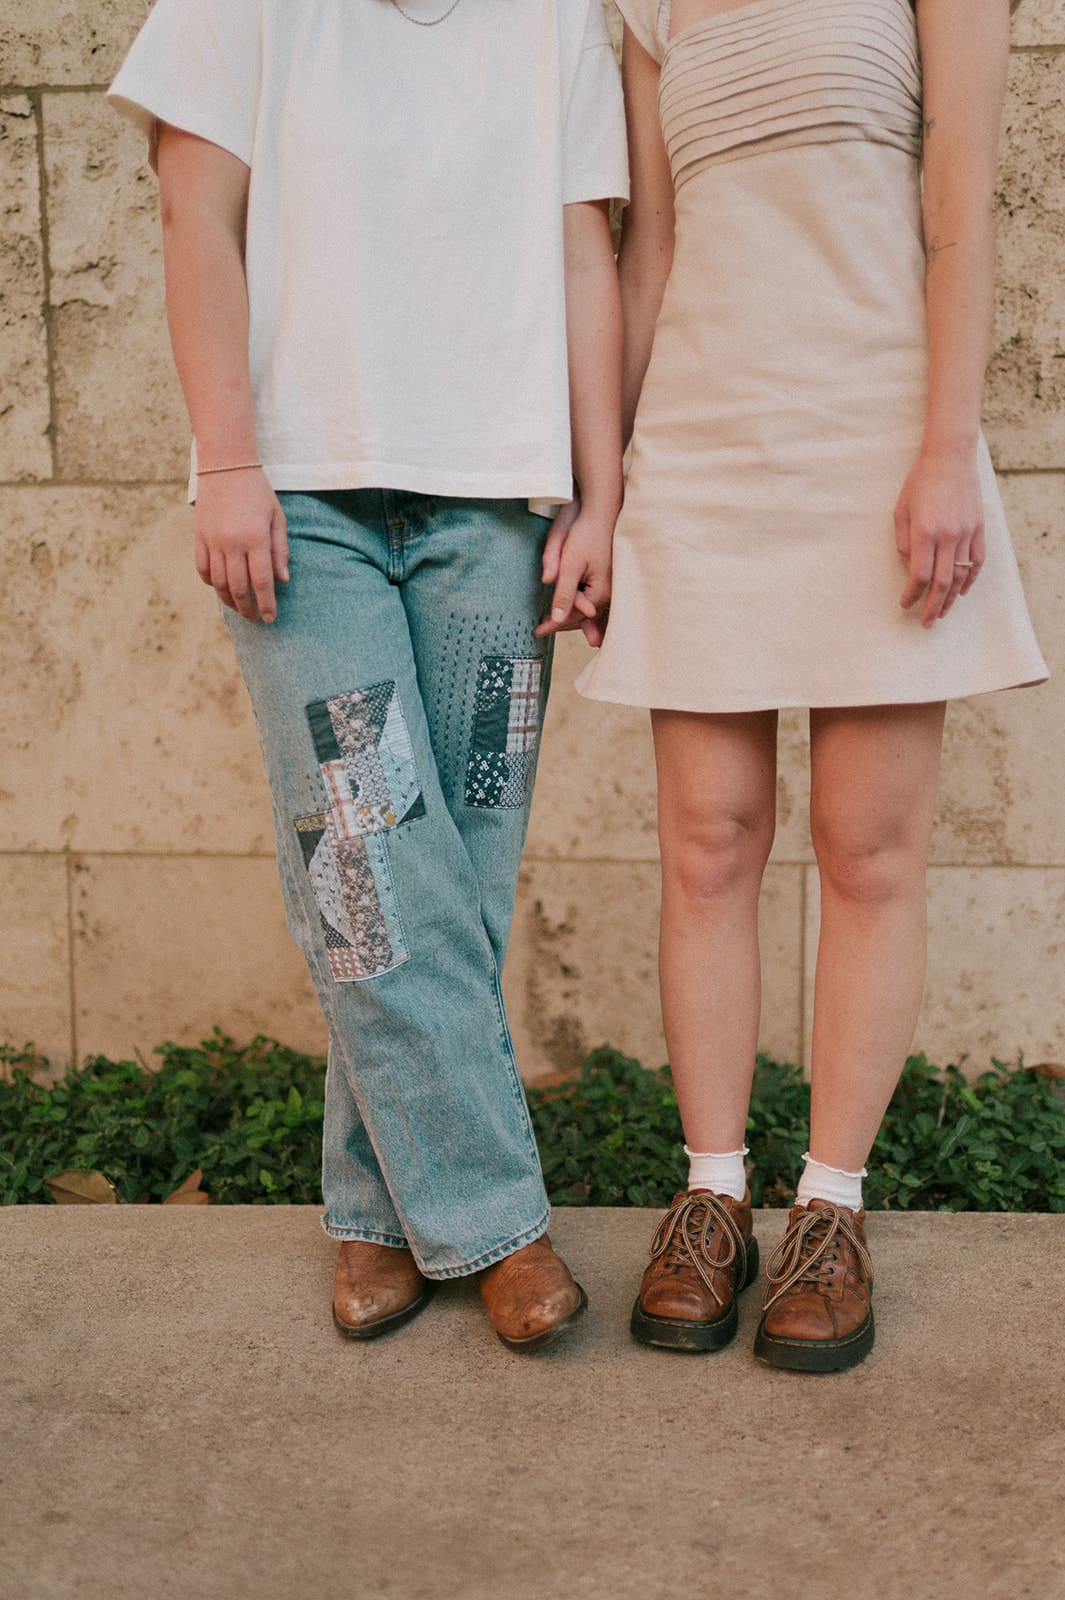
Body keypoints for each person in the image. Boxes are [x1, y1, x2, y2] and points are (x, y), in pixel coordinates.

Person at [108, 0, 627, 1351]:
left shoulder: (557, 18)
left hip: (499, 515)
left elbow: (585, 256)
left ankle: (372, 1212)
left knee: (454, 866)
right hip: (306, 511)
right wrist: (226, 462)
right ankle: (500, 1226)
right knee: (366, 856)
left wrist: (601, 497)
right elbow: (193, 217)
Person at [579, 0, 1046, 1370]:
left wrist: (948, 449)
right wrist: (603, 492)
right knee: (705, 841)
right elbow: (647, 251)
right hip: (703, 449)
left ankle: (829, 1213)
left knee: (867, 847)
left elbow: (960, 203)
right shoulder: (644, 6)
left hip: (876, 434)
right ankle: (709, 1195)